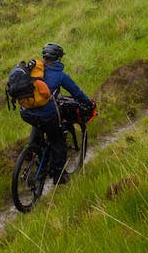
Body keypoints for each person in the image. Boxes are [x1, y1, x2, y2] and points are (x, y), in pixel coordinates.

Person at [18, 42, 94, 185]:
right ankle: (59, 176)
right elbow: (76, 92)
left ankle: (32, 149)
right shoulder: (60, 75)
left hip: (26, 112)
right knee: (57, 140)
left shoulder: (35, 70)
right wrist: (88, 104)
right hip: (46, 115)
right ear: (58, 58)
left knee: (38, 124)